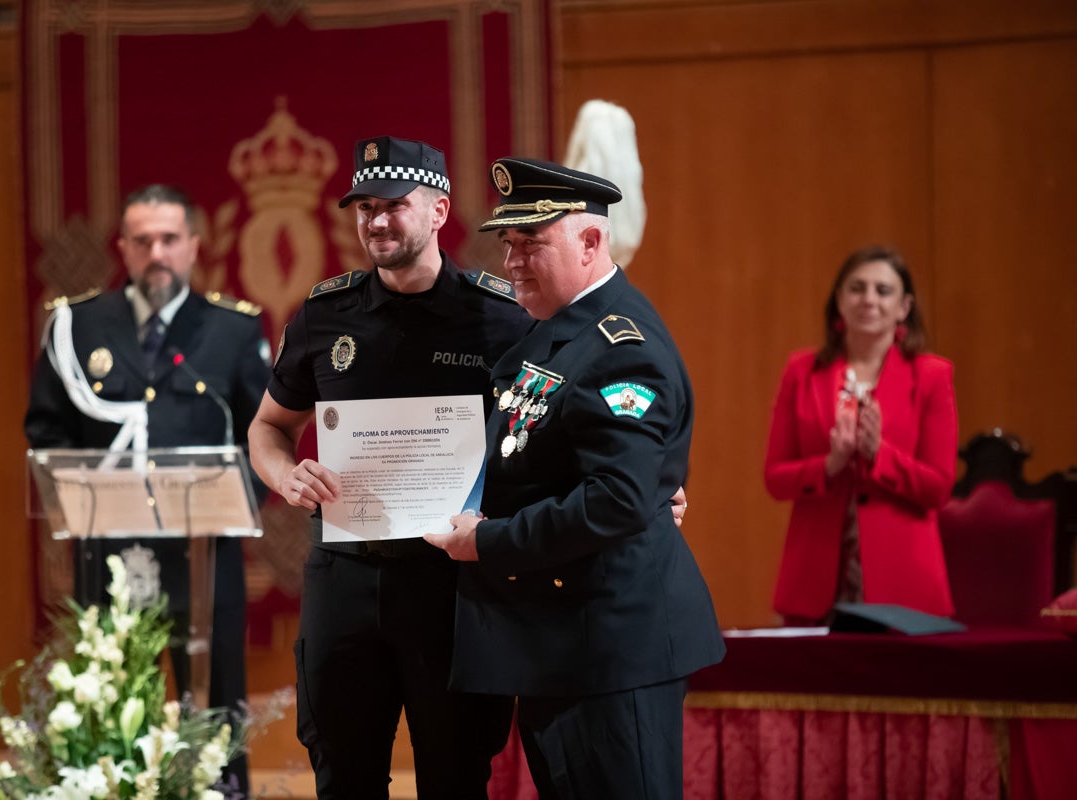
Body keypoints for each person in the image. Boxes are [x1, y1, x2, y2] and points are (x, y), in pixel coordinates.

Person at [425, 157, 725, 800]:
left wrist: (489, 540)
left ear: (591, 242)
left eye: (531, 244)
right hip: (561, 644)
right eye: (507, 243)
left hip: (611, 647)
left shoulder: (623, 347)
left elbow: (615, 499)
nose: (510, 262)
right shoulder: (554, 334)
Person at [247, 136, 535, 800]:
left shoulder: (500, 317)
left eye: (394, 206)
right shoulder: (326, 315)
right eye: (365, 207)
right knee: (343, 773)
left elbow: (546, 433)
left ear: (438, 211)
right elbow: (267, 427)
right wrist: (285, 474)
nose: (377, 221)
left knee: (456, 772)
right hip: (347, 576)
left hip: (452, 583)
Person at [24, 183, 271, 794]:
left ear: (193, 244)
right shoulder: (77, 325)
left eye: (168, 239)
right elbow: (44, 429)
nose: (156, 252)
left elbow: (264, 437)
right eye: (142, 241)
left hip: (204, 553)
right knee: (112, 700)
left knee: (214, 706)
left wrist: (231, 507)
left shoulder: (232, 329)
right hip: (108, 552)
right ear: (124, 249)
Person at [763, 245, 957, 625]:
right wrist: (830, 464)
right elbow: (775, 478)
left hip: (903, 584)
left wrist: (879, 455)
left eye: (883, 291)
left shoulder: (932, 376)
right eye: (857, 288)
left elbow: (939, 488)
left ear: (904, 308)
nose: (869, 299)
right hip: (815, 583)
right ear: (839, 300)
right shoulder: (801, 371)